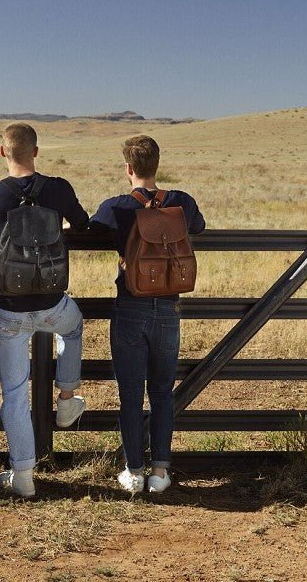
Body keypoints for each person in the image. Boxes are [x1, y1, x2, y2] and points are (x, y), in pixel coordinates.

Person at [0, 122, 89, 497]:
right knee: (73, 327)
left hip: (8, 309)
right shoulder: (59, 188)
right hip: (53, 303)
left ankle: (23, 477)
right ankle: (67, 399)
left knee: (15, 393)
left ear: (3, 152)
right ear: (36, 151)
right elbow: (84, 224)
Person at [89, 135, 205, 493]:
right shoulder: (181, 202)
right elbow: (198, 227)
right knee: (161, 392)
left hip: (129, 307)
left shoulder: (117, 208)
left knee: (129, 391)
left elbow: (92, 230)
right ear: (156, 164)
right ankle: (160, 471)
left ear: (128, 168)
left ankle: (133, 470)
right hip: (169, 307)